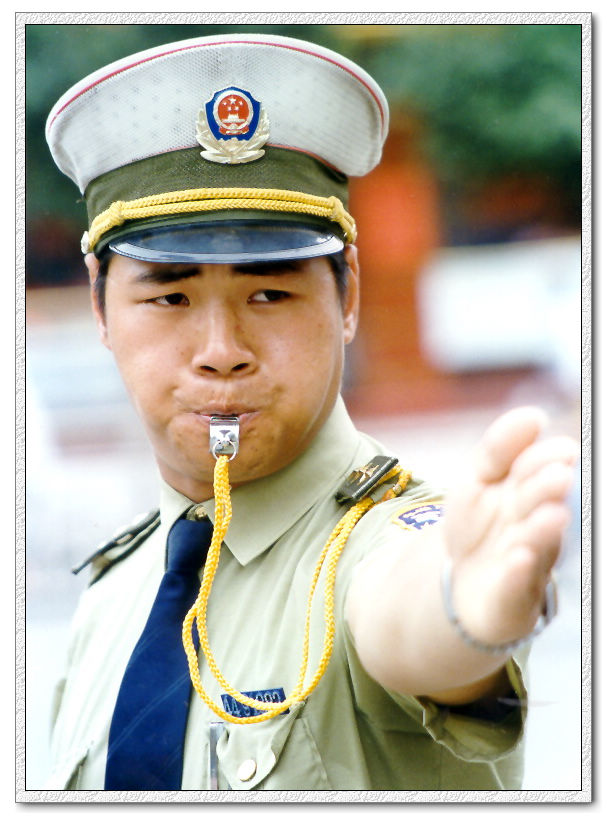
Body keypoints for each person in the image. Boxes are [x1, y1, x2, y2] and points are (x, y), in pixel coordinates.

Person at [44, 32, 578, 793]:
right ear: (101, 303)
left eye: (270, 292)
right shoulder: (112, 594)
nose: (222, 351)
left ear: (347, 294)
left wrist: (463, 610)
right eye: (170, 296)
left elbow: (407, 612)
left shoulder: (386, 544)